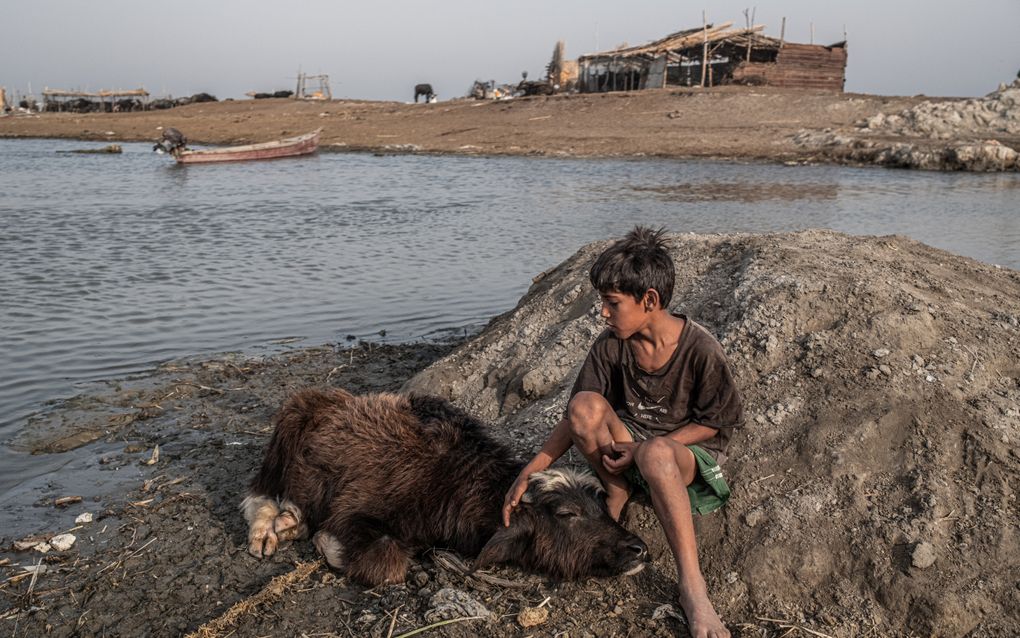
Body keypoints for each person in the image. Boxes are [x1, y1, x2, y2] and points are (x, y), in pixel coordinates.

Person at [502, 226, 742, 638]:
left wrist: (648, 446)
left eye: (612, 303)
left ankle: (693, 588)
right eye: (602, 303)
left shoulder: (700, 349)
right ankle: (617, 489)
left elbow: (715, 423)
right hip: (630, 442)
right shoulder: (612, 344)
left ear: (649, 300)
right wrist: (532, 468)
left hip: (682, 456)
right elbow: (576, 418)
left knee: (655, 455)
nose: (603, 313)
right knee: (583, 405)